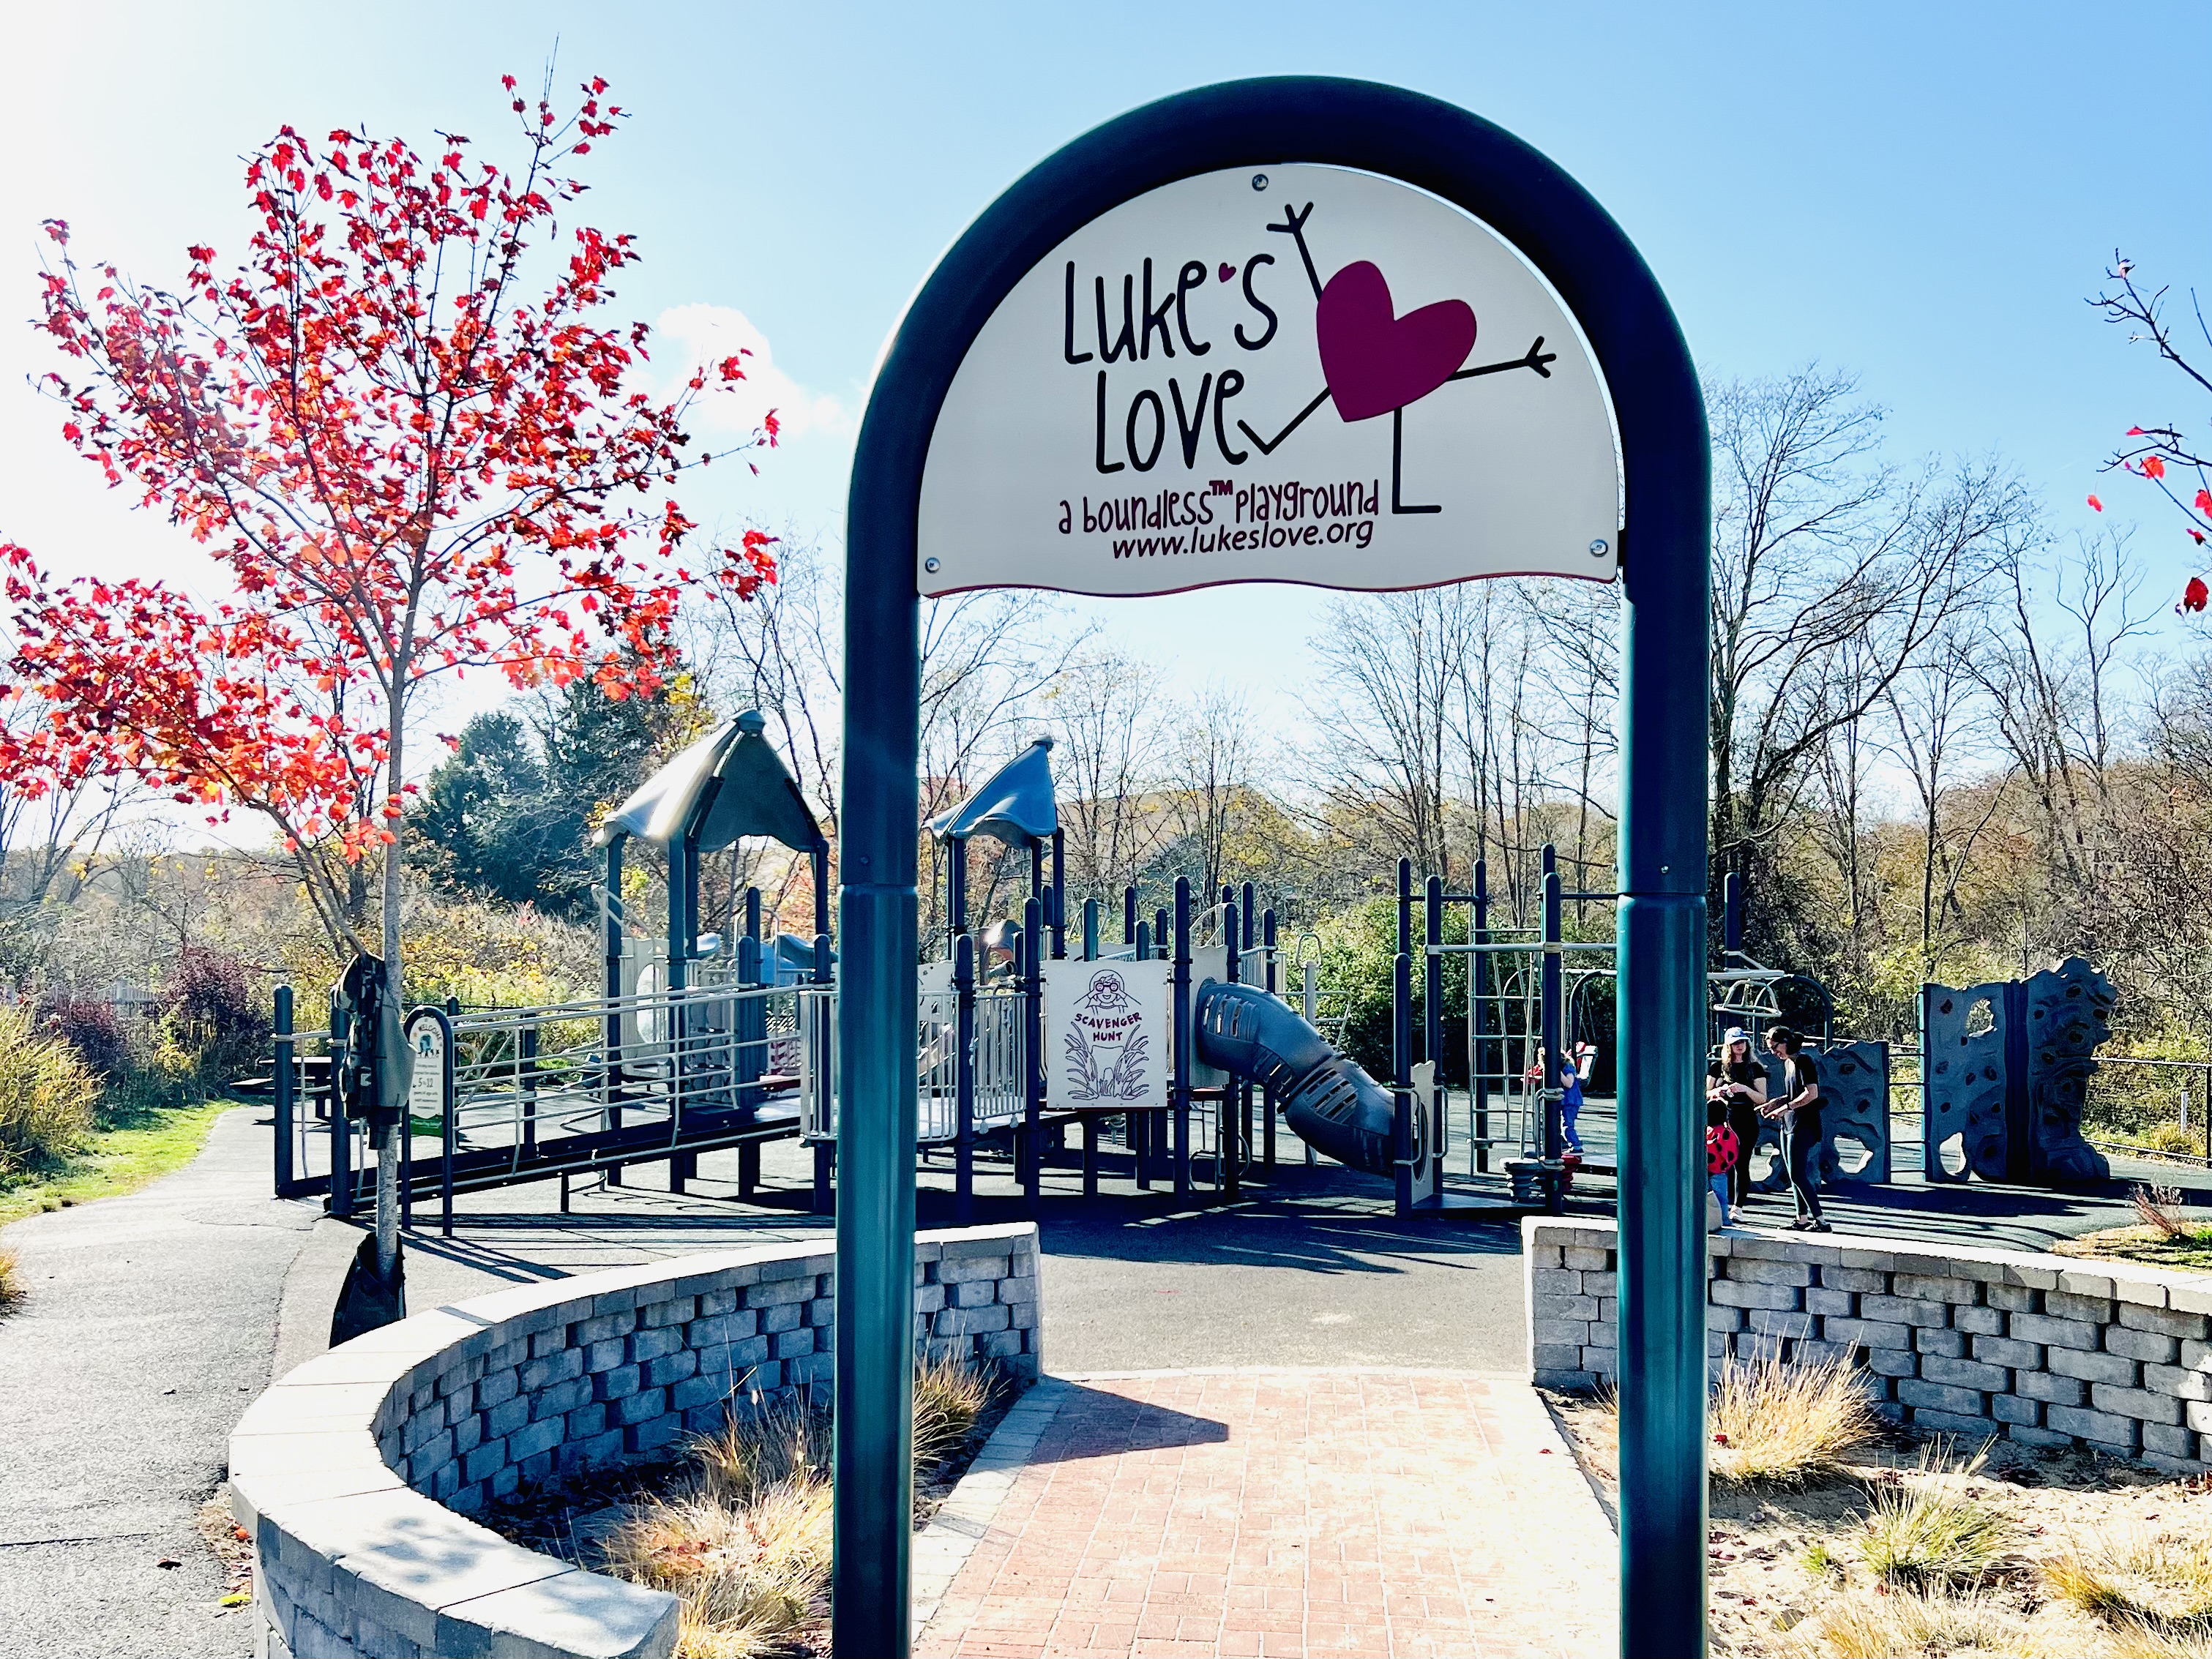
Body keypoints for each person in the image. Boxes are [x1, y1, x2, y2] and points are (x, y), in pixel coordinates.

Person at [1762, 1025, 1828, 1232]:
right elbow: (1793, 1093)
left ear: (1786, 1042)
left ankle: (1822, 1221)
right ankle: (1801, 1219)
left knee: (1799, 1174)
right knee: (1793, 1174)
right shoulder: (1788, 1064)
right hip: (1789, 1123)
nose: (1774, 1053)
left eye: (1775, 1047)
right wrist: (1776, 1103)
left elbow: (1811, 1093)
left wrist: (1787, 1107)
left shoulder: (1804, 1061)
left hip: (1804, 1124)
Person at [1705, 1026, 1767, 1210]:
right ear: (1728, 1046)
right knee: (1722, 1164)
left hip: (1746, 1119)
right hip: (1723, 1120)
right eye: (1735, 1043)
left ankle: (1738, 1206)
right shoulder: (1718, 1067)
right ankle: (1724, 1204)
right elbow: (1706, 1093)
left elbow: (1763, 1098)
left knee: (1742, 1163)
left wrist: (1745, 1089)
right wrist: (1718, 1091)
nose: (1739, 1046)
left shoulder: (1755, 1068)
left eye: (1742, 1042)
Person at [1705, 1100, 1739, 1227]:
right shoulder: (1726, 1133)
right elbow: (1731, 1153)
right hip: (1719, 1172)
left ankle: (1717, 1220)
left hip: (1711, 1171)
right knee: (1721, 1198)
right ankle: (1723, 1219)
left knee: (1714, 1198)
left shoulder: (1709, 1131)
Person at [1558, 1047, 1585, 1154]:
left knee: (1567, 1125)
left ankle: (1576, 1146)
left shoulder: (1568, 1067)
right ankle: (1570, 1143)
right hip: (1565, 1100)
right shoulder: (1564, 1067)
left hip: (1571, 1100)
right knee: (1563, 1124)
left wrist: (1558, 1072)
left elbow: (1569, 1083)